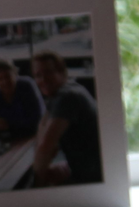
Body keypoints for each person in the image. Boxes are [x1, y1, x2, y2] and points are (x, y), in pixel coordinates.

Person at [31, 50, 103, 186]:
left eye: (48, 72)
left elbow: (45, 147)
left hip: (93, 180)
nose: (43, 79)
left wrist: (36, 188)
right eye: (38, 75)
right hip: (89, 169)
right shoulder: (67, 90)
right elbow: (43, 127)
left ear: (62, 72)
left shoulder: (67, 97)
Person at [0, 59, 45, 141]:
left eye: (8, 76)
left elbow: (40, 120)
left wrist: (9, 125)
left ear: (15, 74)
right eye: (0, 79)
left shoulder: (27, 85)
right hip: (9, 139)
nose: (5, 82)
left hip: (34, 137)